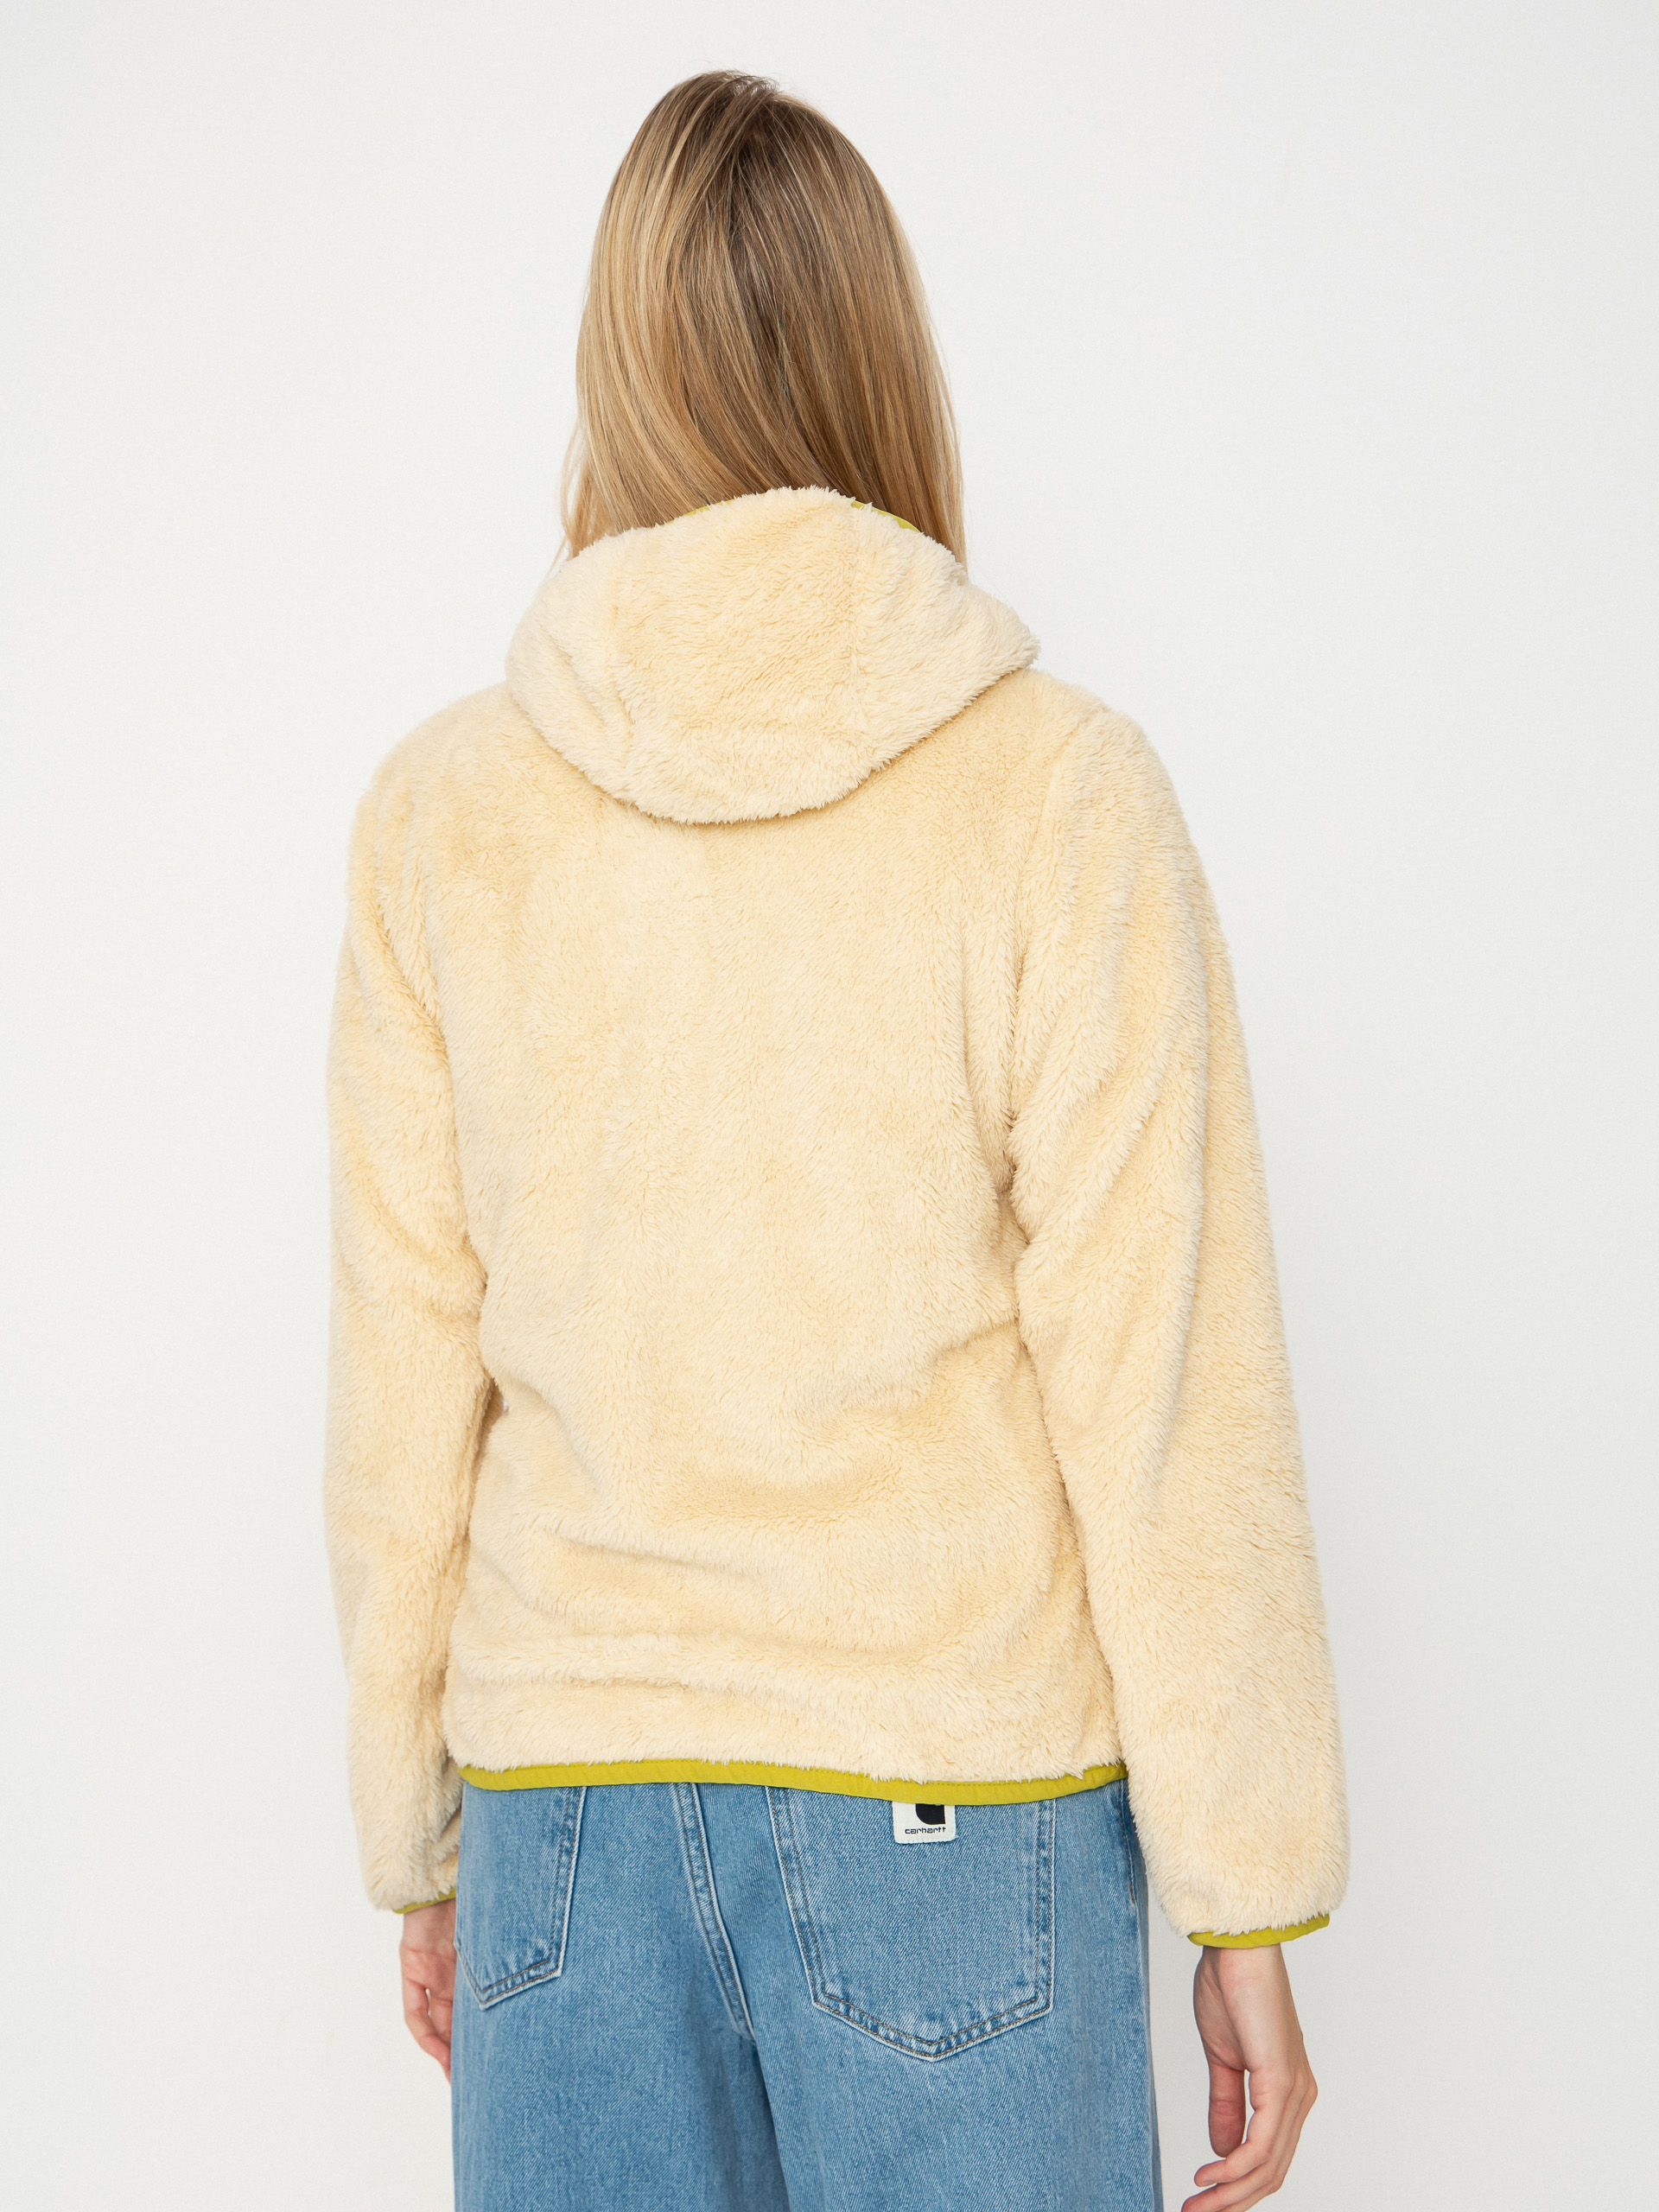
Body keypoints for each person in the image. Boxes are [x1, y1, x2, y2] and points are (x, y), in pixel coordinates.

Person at [324, 69, 1347, 2212]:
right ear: (888, 356)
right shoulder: (1059, 793)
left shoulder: (446, 817)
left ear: (614, 370)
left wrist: (418, 1827)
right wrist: (1245, 1891)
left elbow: (402, 1384)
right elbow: (1168, 1380)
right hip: (953, 1811)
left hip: (565, 1823)